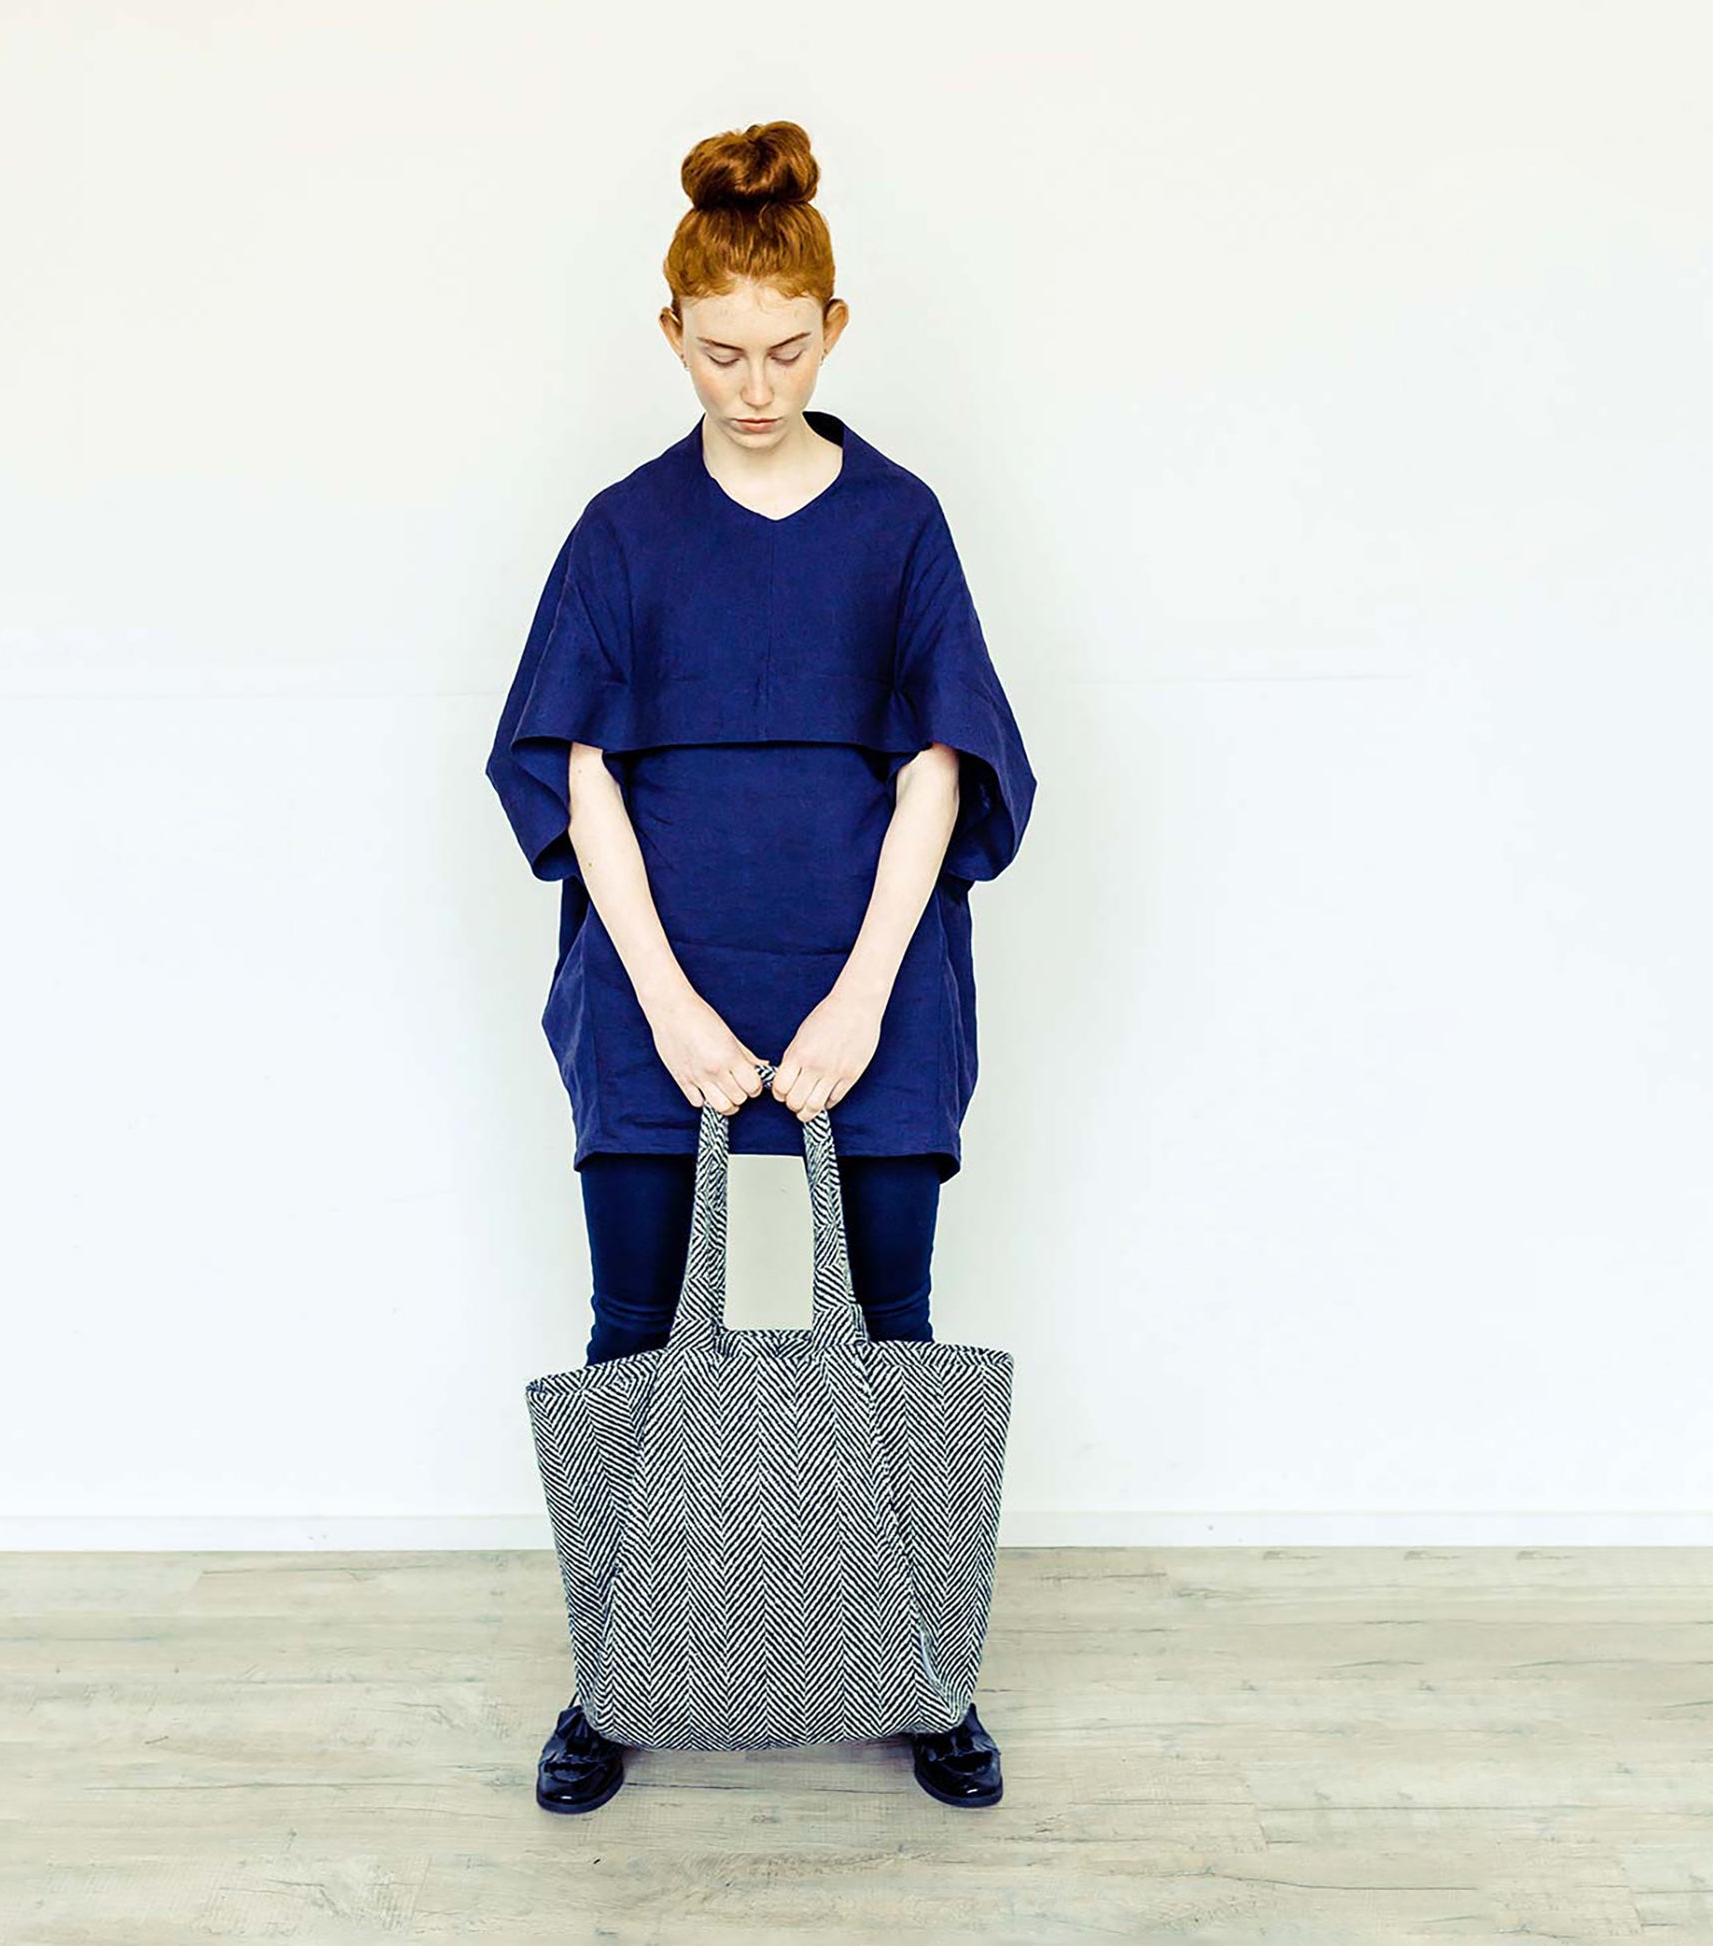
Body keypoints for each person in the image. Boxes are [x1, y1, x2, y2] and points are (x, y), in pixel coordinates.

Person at [485, 120, 1036, 1814]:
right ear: (671, 337)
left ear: (834, 328)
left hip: (869, 967)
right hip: (666, 971)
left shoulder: (897, 521)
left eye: (785, 349)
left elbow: (941, 764)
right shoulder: (624, 528)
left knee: (891, 1331)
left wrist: (863, 994)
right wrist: (665, 1001)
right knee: (639, 1330)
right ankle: (619, 1676)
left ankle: (923, 1672)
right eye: (719, 352)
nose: (751, 383)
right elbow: (573, 768)